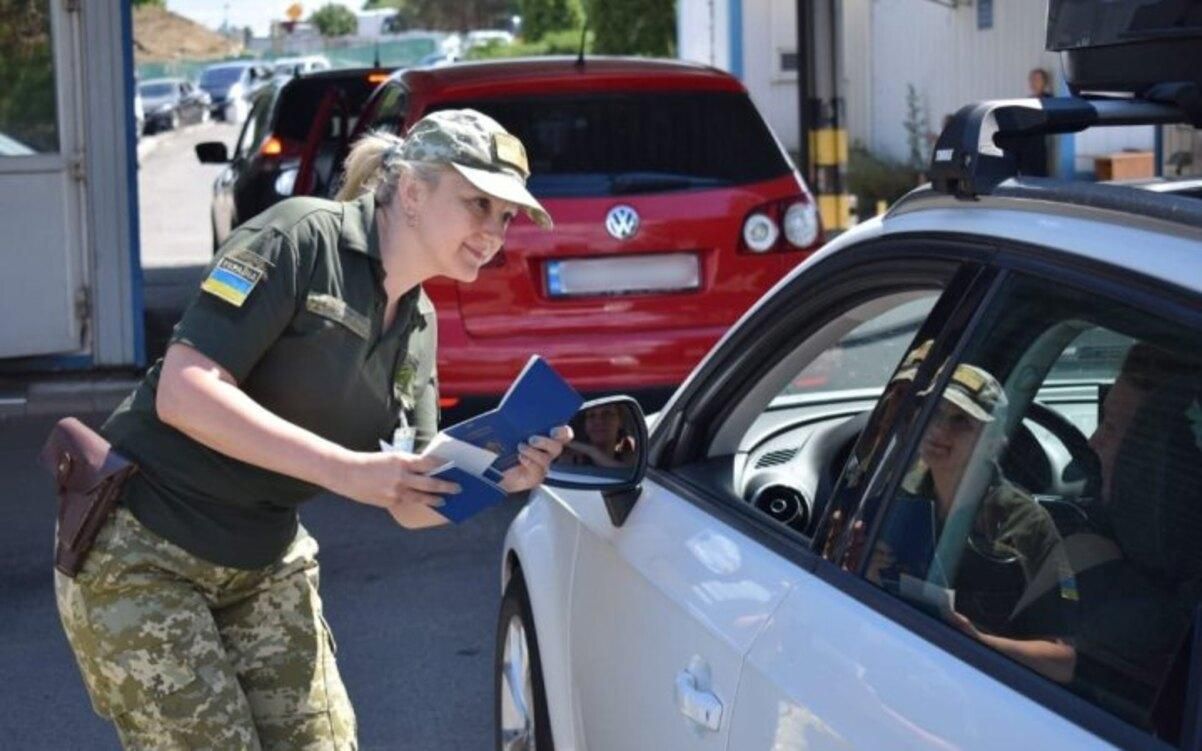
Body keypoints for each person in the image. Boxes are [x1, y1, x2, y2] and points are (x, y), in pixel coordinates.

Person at [54, 109, 573, 749]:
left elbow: (411, 503)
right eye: (477, 204)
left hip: (262, 560)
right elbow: (183, 392)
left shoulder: (419, 323)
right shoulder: (298, 238)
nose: (494, 230)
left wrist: (501, 476)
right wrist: (348, 471)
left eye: (506, 215)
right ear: (411, 191)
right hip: (144, 550)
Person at [870, 363, 1078, 683]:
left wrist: (978, 643)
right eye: (934, 412)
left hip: (980, 685)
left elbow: (1063, 661)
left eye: (961, 421)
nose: (939, 430)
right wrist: (867, 568)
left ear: (994, 443)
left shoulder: (1027, 523)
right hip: (894, 661)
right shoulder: (895, 493)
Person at [561, 403, 637, 469]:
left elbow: (626, 472)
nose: (599, 421)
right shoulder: (572, 460)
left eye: (607, 413)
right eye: (591, 415)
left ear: (620, 422)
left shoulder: (630, 459)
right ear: (585, 425)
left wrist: (592, 451)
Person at [1015, 67, 1054, 177]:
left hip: (1039, 145)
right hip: (1026, 145)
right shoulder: (1028, 101)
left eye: (1037, 80)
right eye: (1032, 80)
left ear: (1044, 82)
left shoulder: (1049, 100)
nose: (1034, 83)